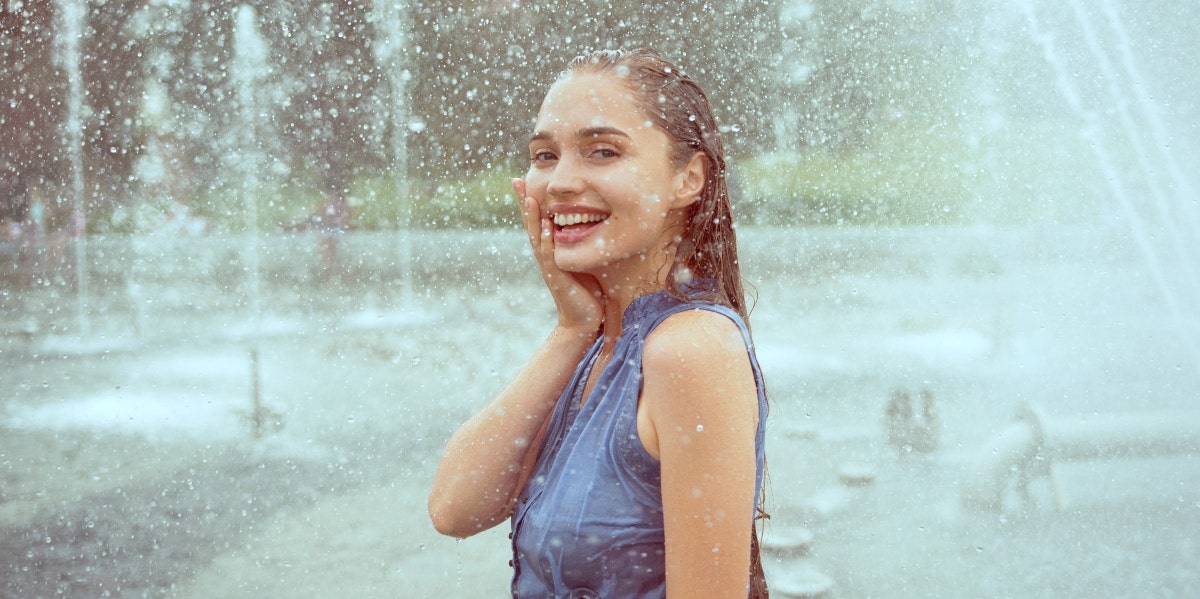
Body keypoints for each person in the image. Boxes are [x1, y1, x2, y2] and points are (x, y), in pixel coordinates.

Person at [428, 48, 769, 598]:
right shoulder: (600, 343)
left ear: (688, 179)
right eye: (544, 155)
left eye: (602, 151)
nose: (560, 182)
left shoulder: (691, 349)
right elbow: (454, 507)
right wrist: (570, 331)